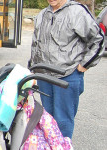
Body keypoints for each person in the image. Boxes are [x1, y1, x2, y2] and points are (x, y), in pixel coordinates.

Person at [29, 0, 104, 139]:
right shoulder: (42, 14)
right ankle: (50, 146)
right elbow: (36, 44)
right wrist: (33, 68)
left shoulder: (77, 12)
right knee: (47, 118)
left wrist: (85, 64)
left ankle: (63, 146)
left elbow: (97, 40)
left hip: (67, 75)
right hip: (44, 76)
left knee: (63, 120)